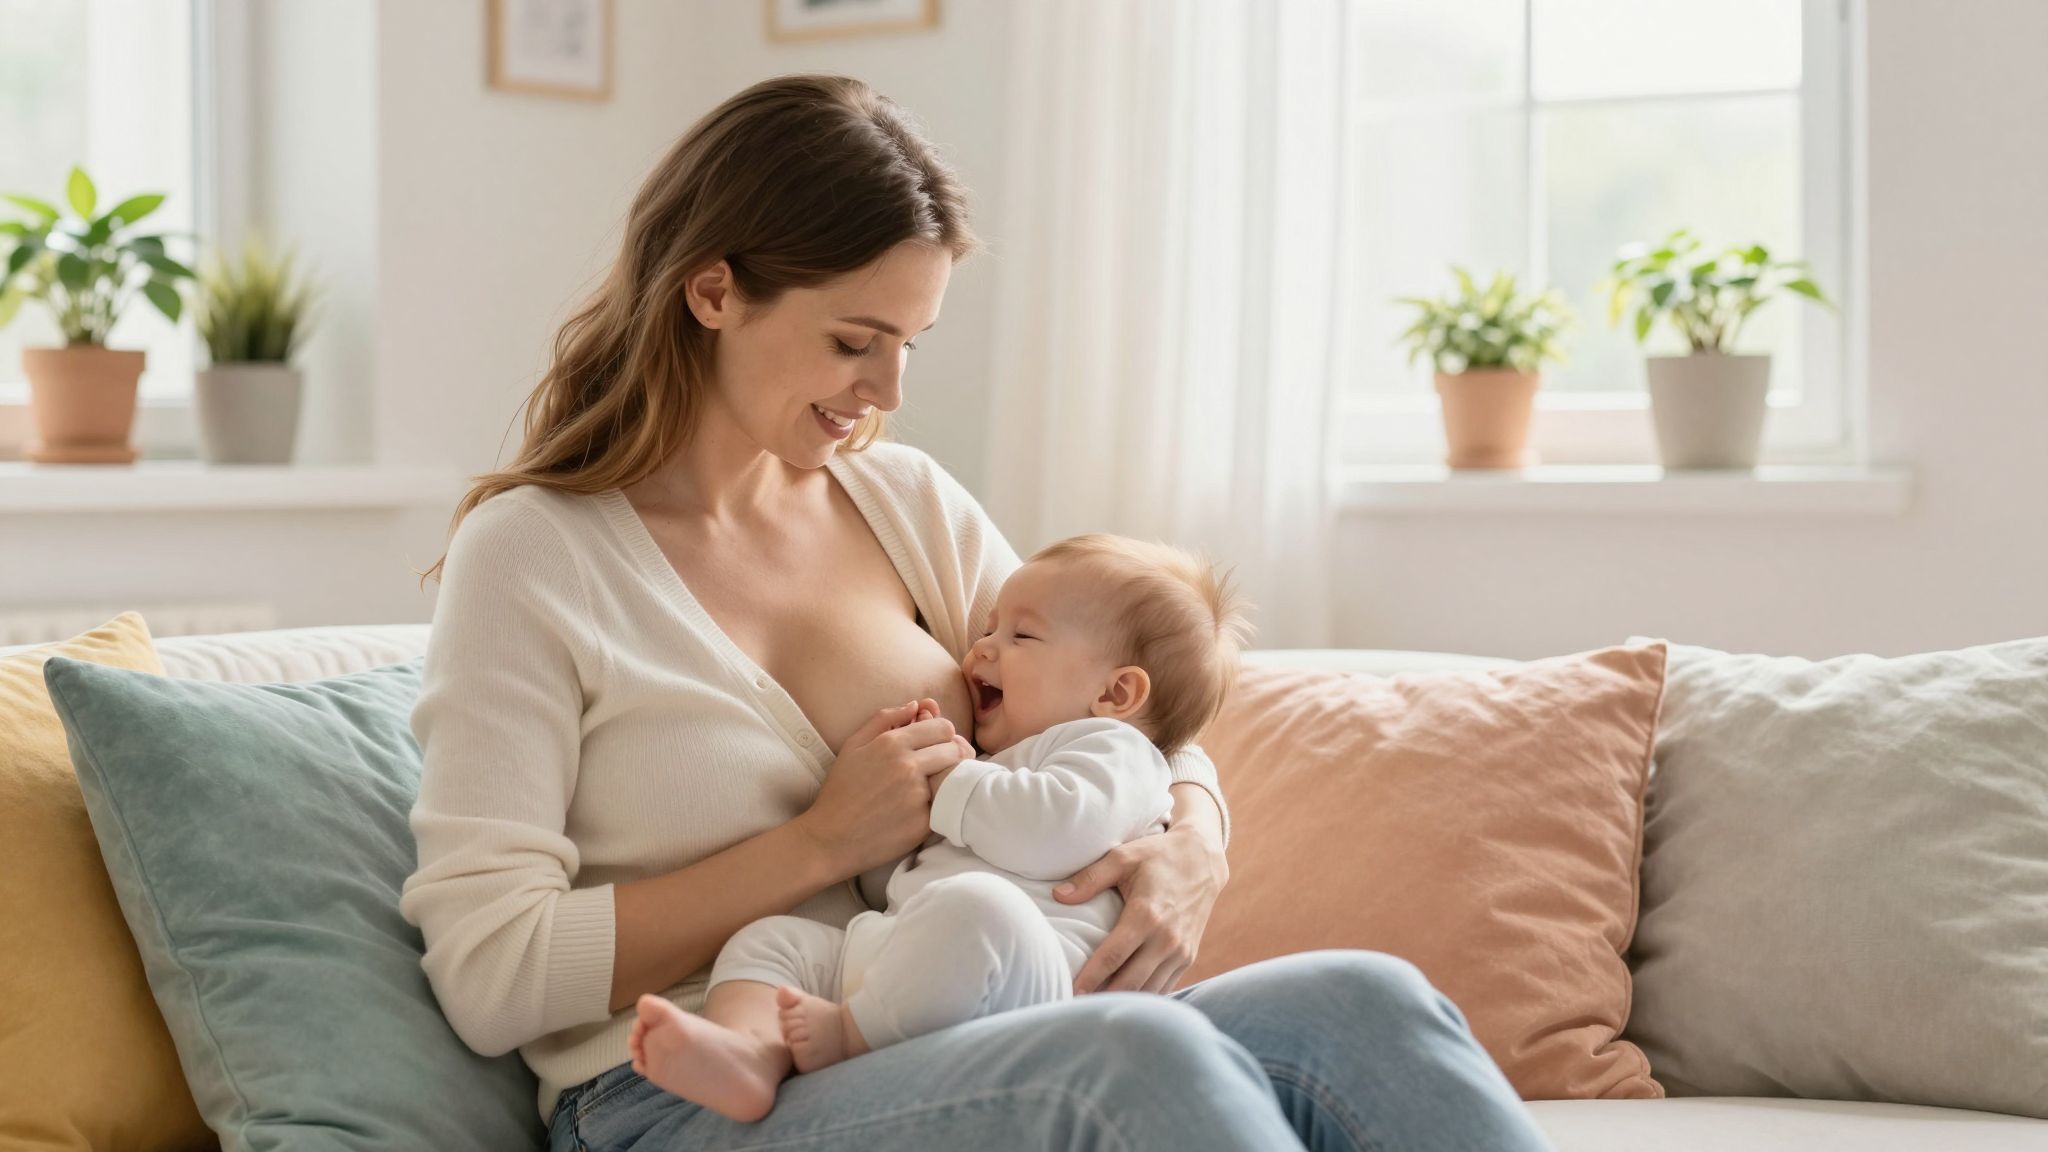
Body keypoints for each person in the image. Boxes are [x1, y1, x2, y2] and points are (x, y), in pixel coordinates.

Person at [402, 73, 1556, 1151]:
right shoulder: (534, 557)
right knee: (1125, 1059)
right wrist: (814, 846)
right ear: (712, 291)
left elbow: (1132, 700)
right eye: (854, 341)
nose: (887, 393)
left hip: (959, 1017)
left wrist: (1193, 842)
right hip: (679, 1094)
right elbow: (489, 971)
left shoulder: (903, 503)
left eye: (908, 345)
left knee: (1364, 1001)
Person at [627, 535, 1250, 1121]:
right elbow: (894, 884)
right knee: (773, 942)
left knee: (977, 907)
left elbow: (1050, 830)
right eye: (986, 629)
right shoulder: (1003, 764)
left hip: (1037, 978)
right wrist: (876, 810)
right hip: (911, 952)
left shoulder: (1115, 752)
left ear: (1116, 694)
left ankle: (849, 1036)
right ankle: (748, 1048)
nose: (980, 649)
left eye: (1021, 635)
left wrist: (945, 779)